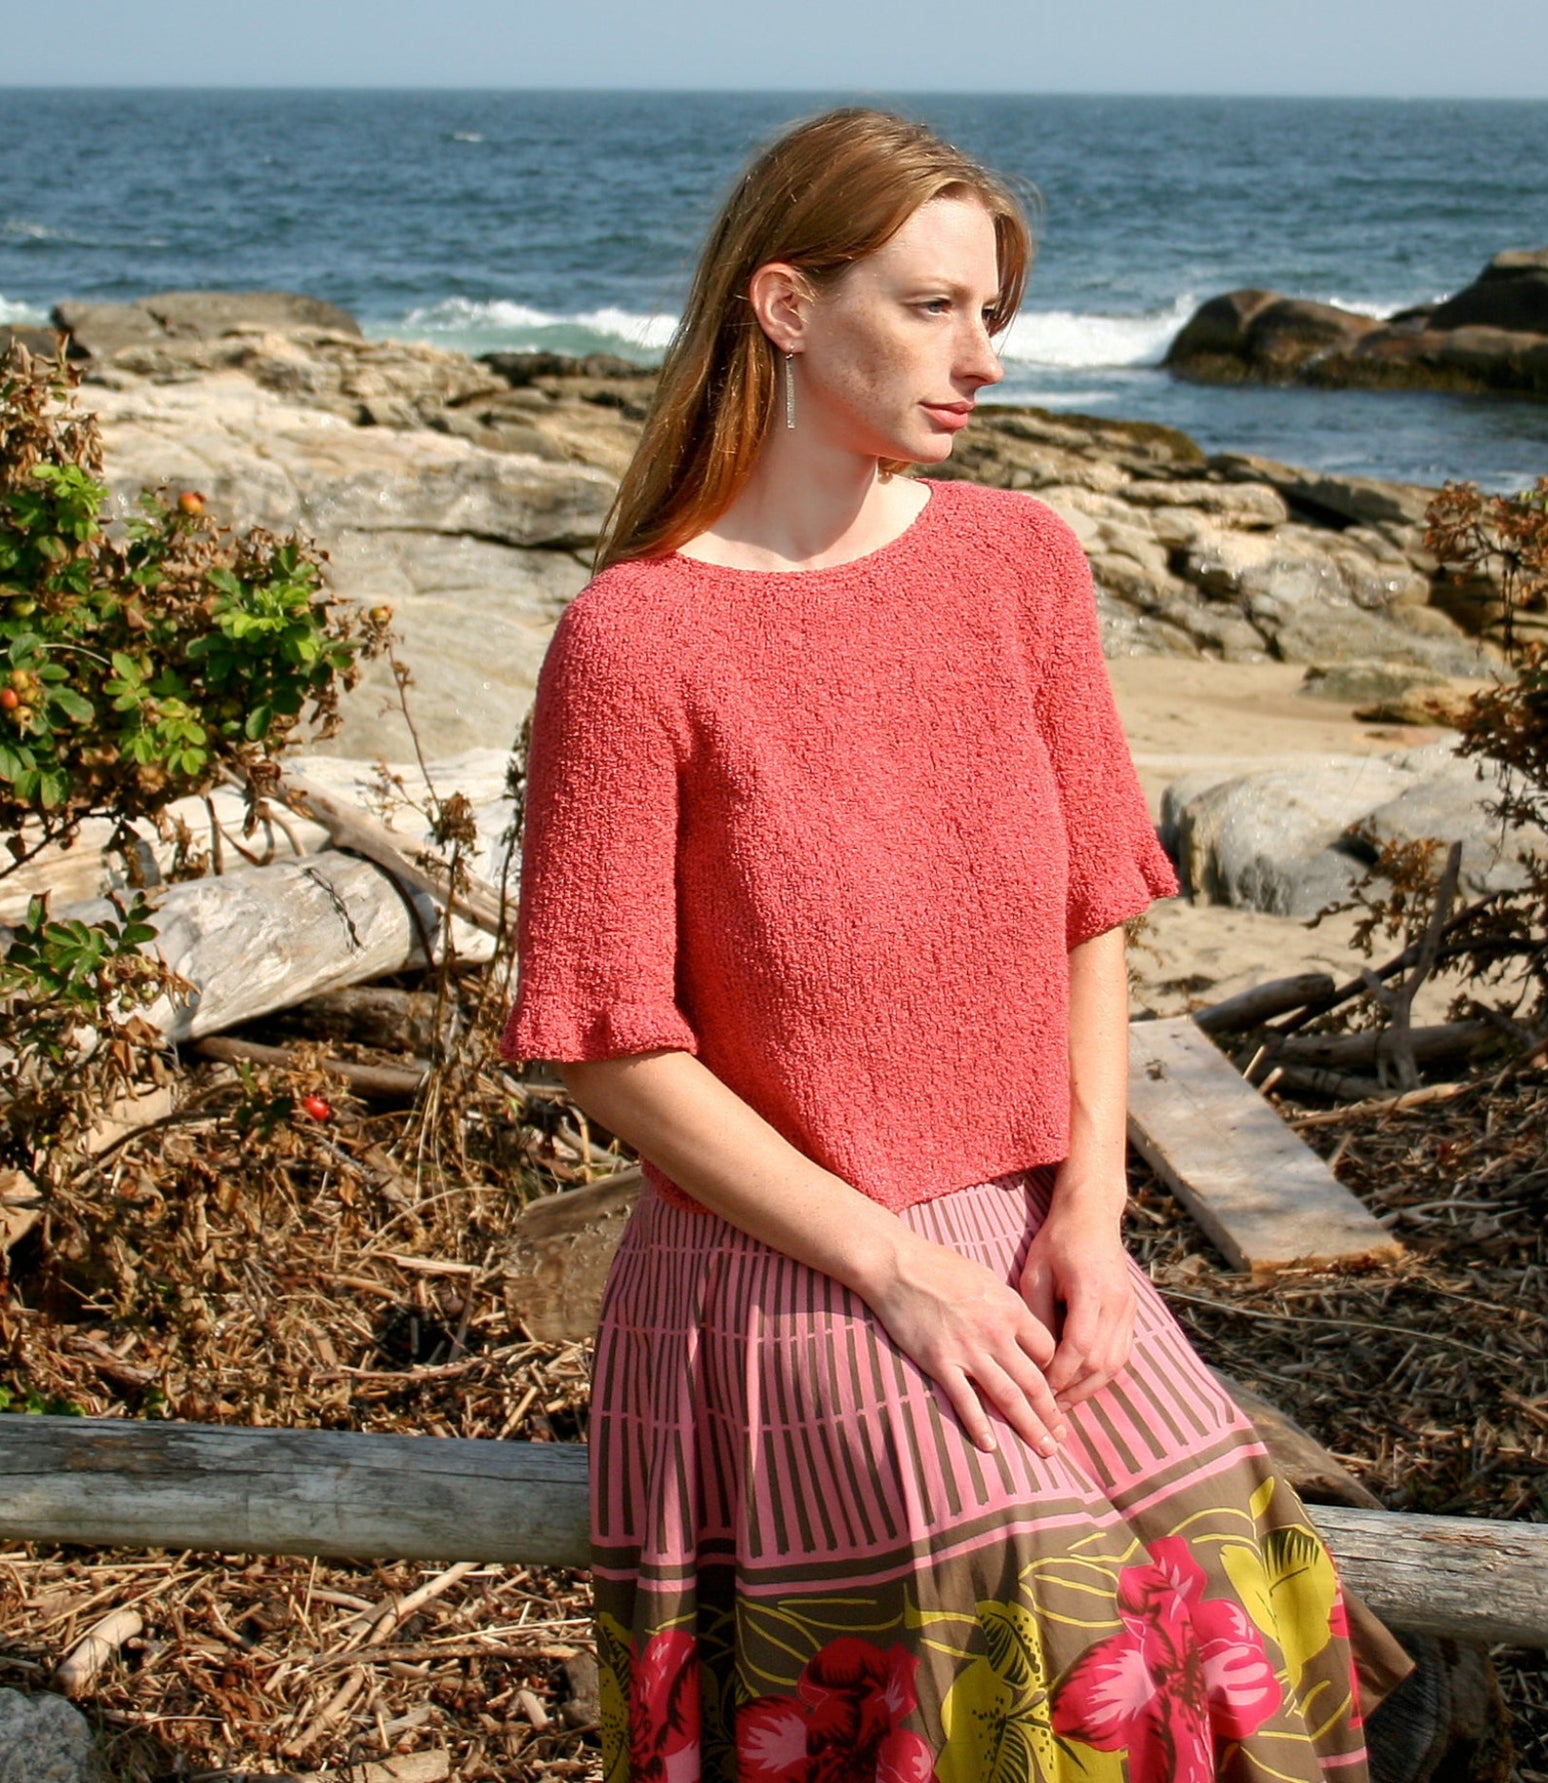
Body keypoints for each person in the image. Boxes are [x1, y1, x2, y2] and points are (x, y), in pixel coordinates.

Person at [501, 105, 1412, 1783]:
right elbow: (605, 1040)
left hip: (1028, 1229)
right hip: (782, 1270)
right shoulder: (633, 639)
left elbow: (1092, 911)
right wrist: (896, 1267)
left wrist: (1093, 1205)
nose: (981, 353)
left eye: (992, 310)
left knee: (1243, 1629)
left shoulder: (1019, 562)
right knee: (1047, 1644)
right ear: (785, 306)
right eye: (933, 306)